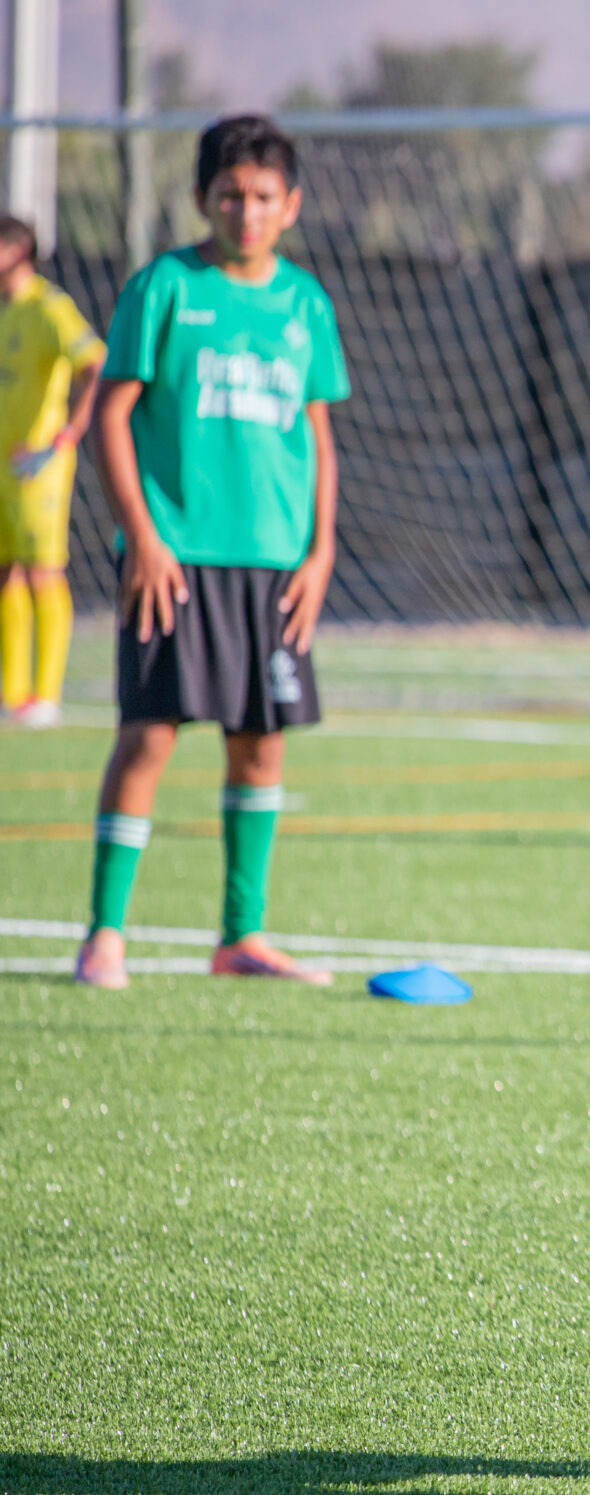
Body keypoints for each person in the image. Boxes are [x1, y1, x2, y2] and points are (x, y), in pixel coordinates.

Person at [72, 114, 348, 990]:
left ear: (291, 204)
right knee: (150, 735)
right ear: (201, 198)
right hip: (176, 555)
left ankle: (242, 936)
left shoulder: (306, 304)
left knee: (260, 744)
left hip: (274, 562)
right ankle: (104, 935)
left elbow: (318, 433)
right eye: (230, 195)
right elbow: (112, 413)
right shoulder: (164, 287)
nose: (246, 211)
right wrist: (143, 536)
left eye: (263, 196)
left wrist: (320, 551)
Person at [0, 214, 105, 729]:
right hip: (1, 466)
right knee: (5, 573)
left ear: (17, 252)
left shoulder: (50, 307)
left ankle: (47, 695)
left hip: (37, 468)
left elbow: (96, 368)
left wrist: (63, 438)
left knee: (43, 571)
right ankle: (12, 693)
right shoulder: (4, 311)